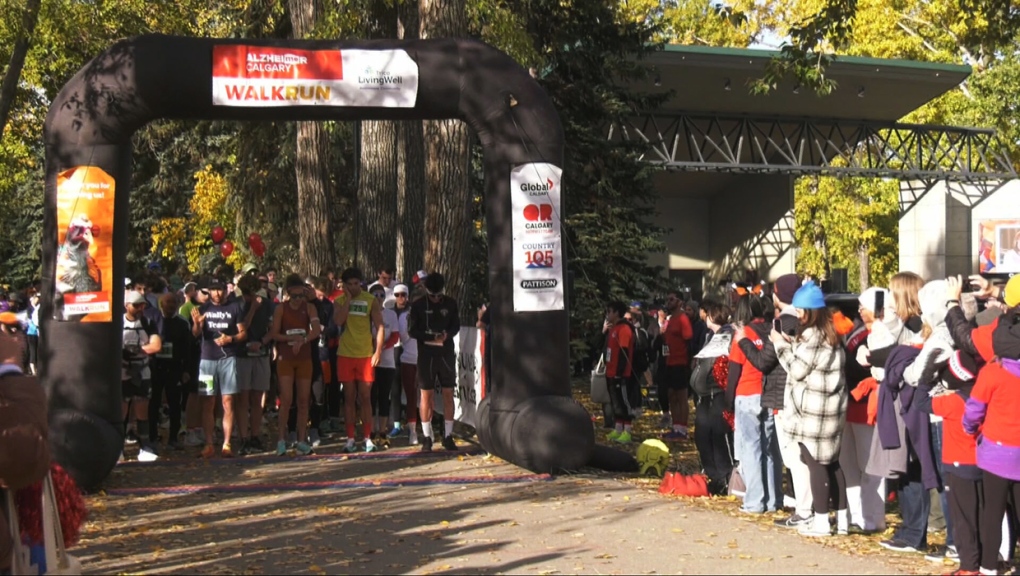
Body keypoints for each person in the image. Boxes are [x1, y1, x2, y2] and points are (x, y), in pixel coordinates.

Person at [773, 281, 848, 537]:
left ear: (807, 311)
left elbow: (797, 369)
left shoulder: (813, 336)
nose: (798, 315)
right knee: (833, 464)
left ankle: (821, 522)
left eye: (800, 311)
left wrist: (780, 345)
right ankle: (843, 520)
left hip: (815, 410)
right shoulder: (833, 332)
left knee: (814, 463)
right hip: (832, 407)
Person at [728, 294, 782, 514]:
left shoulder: (743, 334)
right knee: (770, 449)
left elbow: (734, 372)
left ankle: (754, 501)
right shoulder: (772, 330)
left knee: (751, 449)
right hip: (768, 394)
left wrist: (727, 401)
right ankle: (773, 500)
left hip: (747, 393)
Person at [191, 276, 248, 458]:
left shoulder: (234, 307)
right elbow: (195, 334)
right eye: (213, 289)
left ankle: (227, 443)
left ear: (226, 290)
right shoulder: (203, 308)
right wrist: (197, 325)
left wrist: (230, 339)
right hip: (207, 359)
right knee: (207, 401)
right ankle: (208, 443)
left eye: (220, 289)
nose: (217, 293)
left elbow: (243, 333)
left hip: (228, 358)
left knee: (228, 400)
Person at [407, 272, 461, 452]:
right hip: (426, 354)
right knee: (426, 395)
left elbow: (456, 325)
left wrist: (447, 335)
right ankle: (427, 436)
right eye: (433, 296)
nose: (436, 299)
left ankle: (448, 435)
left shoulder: (451, 303)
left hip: (445, 353)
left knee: (448, 392)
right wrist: (430, 336)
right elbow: (412, 331)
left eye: (439, 295)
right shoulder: (418, 305)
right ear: (425, 291)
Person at [334, 268, 385, 453]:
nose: (354, 287)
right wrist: (348, 299)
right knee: (348, 397)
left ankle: (367, 437)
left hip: (365, 355)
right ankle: (349, 438)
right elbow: (338, 321)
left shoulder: (370, 300)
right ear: (344, 285)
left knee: (365, 397)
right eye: (350, 284)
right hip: (345, 354)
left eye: (357, 284)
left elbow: (380, 326)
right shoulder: (339, 301)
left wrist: (378, 351)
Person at [271, 274, 321, 456]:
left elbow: (316, 329)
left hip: (304, 358)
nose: (298, 300)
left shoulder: (309, 308)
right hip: (286, 358)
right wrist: (292, 338)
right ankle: (281, 439)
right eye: (295, 296)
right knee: (286, 400)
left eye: (301, 296)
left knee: (303, 400)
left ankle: (301, 439)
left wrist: (305, 339)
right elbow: (275, 334)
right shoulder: (281, 309)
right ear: (287, 294)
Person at [122, 290, 162, 461]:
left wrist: (136, 350)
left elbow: (156, 345)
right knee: (122, 410)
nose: (140, 308)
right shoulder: (118, 323)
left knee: (141, 409)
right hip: (122, 371)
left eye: (143, 305)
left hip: (142, 371)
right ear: (126, 305)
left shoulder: (147, 322)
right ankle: (119, 448)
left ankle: (145, 446)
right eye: (136, 305)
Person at [148, 293, 191, 451]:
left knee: (175, 404)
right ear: (161, 304)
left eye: (173, 302)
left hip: (175, 368)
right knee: (154, 403)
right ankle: (152, 437)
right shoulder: (153, 322)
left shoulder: (182, 324)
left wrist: (186, 370)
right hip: (156, 367)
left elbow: (187, 349)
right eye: (168, 302)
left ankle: (173, 437)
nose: (171, 305)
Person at [235, 274, 272, 454]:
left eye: (251, 292)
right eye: (246, 292)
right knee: (243, 398)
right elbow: (243, 326)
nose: (249, 296)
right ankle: (243, 437)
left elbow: (273, 329)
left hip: (261, 354)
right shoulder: (237, 304)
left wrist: (263, 342)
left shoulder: (267, 304)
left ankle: (255, 435)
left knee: (257, 397)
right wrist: (252, 309)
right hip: (242, 354)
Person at [368, 284, 400, 447]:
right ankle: (372, 431)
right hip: (370, 362)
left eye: (382, 295)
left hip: (387, 362)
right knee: (371, 397)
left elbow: (395, 336)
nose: (379, 298)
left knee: (384, 397)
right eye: (376, 295)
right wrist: (373, 350)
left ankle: (383, 431)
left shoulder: (391, 314)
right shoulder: (367, 314)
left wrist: (381, 349)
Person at [603, 300, 639, 443]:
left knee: (624, 402)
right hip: (611, 371)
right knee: (615, 402)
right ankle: (618, 428)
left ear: (616, 313)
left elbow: (624, 352)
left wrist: (619, 372)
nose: (607, 314)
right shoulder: (613, 328)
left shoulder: (624, 329)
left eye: (609, 312)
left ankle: (627, 431)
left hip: (621, 374)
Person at [661, 291, 694, 440]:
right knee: (671, 395)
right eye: (668, 299)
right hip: (669, 361)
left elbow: (688, 338)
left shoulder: (682, 318)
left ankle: (683, 429)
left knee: (681, 396)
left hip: (680, 362)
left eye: (672, 299)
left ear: (679, 302)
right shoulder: (670, 319)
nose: (669, 301)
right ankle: (676, 426)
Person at [395, 283, 420, 444]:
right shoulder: (404, 316)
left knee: (425, 396)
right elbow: (404, 337)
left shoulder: (429, 315)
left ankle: (427, 429)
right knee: (411, 396)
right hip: (408, 359)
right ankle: (413, 432)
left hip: (425, 359)